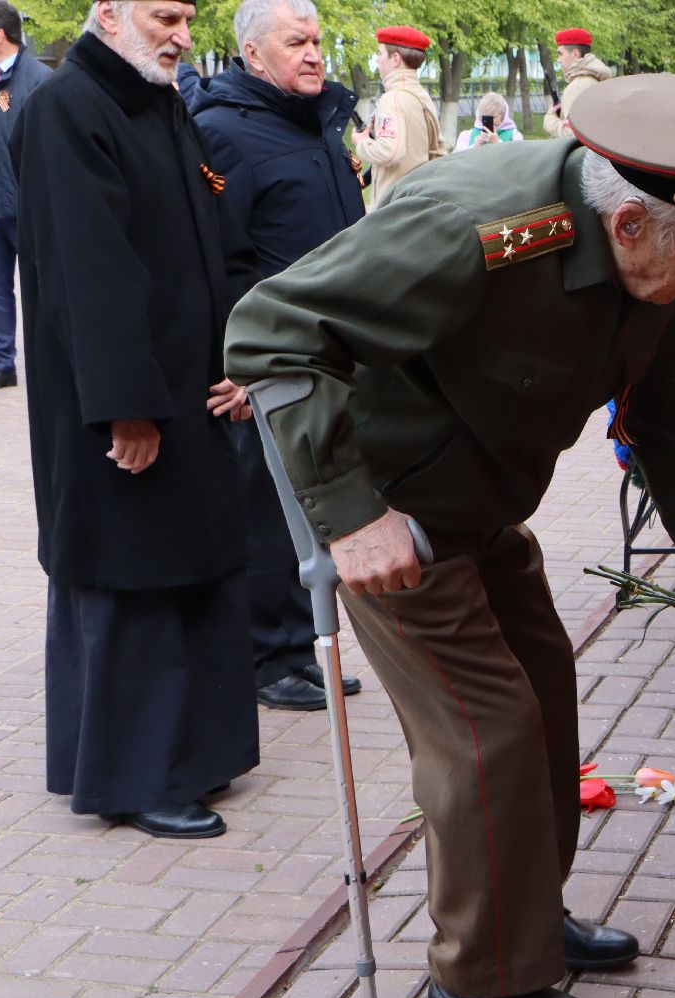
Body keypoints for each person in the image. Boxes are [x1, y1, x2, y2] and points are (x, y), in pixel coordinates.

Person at [225, 73, 675, 998]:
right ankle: (483, 980)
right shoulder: (478, 231)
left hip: (482, 507)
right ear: (628, 226)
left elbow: (667, 425)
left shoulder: (657, 244)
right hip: (392, 520)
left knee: (544, 699)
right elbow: (273, 329)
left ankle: (523, 917)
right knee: (486, 731)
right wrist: (348, 517)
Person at [11, 0, 261, 839]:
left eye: (189, 19)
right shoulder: (65, 110)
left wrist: (238, 358)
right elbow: (90, 273)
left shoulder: (163, 102)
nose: (183, 36)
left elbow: (217, 244)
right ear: (109, 13)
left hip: (191, 387)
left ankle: (195, 756)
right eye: (167, 16)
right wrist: (126, 408)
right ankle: (138, 776)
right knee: (133, 579)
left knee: (191, 565)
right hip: (119, 404)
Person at [187, 0, 366, 711]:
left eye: (318, 40)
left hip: (328, 349)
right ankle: (270, 655)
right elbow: (219, 260)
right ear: (254, 55)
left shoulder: (315, 122)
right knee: (266, 509)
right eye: (297, 42)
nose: (315, 54)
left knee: (309, 498)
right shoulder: (224, 131)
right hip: (267, 360)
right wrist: (242, 361)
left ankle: (303, 642)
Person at [0, 0, 49, 393]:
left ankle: (50, 360)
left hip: (29, 207)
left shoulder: (40, 79)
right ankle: (1, 362)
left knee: (42, 288)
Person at [353, 23, 442, 207]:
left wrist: (362, 143)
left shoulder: (392, 99)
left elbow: (390, 152)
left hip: (394, 207)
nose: (377, 60)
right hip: (419, 200)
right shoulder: (420, 94)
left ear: (395, 58)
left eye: (379, 53)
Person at [541, 27, 610, 138]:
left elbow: (572, 135)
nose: (558, 60)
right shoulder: (597, 80)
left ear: (575, 54)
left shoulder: (577, 87)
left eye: (560, 54)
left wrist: (550, 120)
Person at [454, 90, 523, 152]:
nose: (490, 122)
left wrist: (498, 142)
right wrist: (475, 146)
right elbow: (456, 159)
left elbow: (519, 159)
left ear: (503, 115)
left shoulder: (514, 135)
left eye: (493, 117)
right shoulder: (467, 135)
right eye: (486, 118)